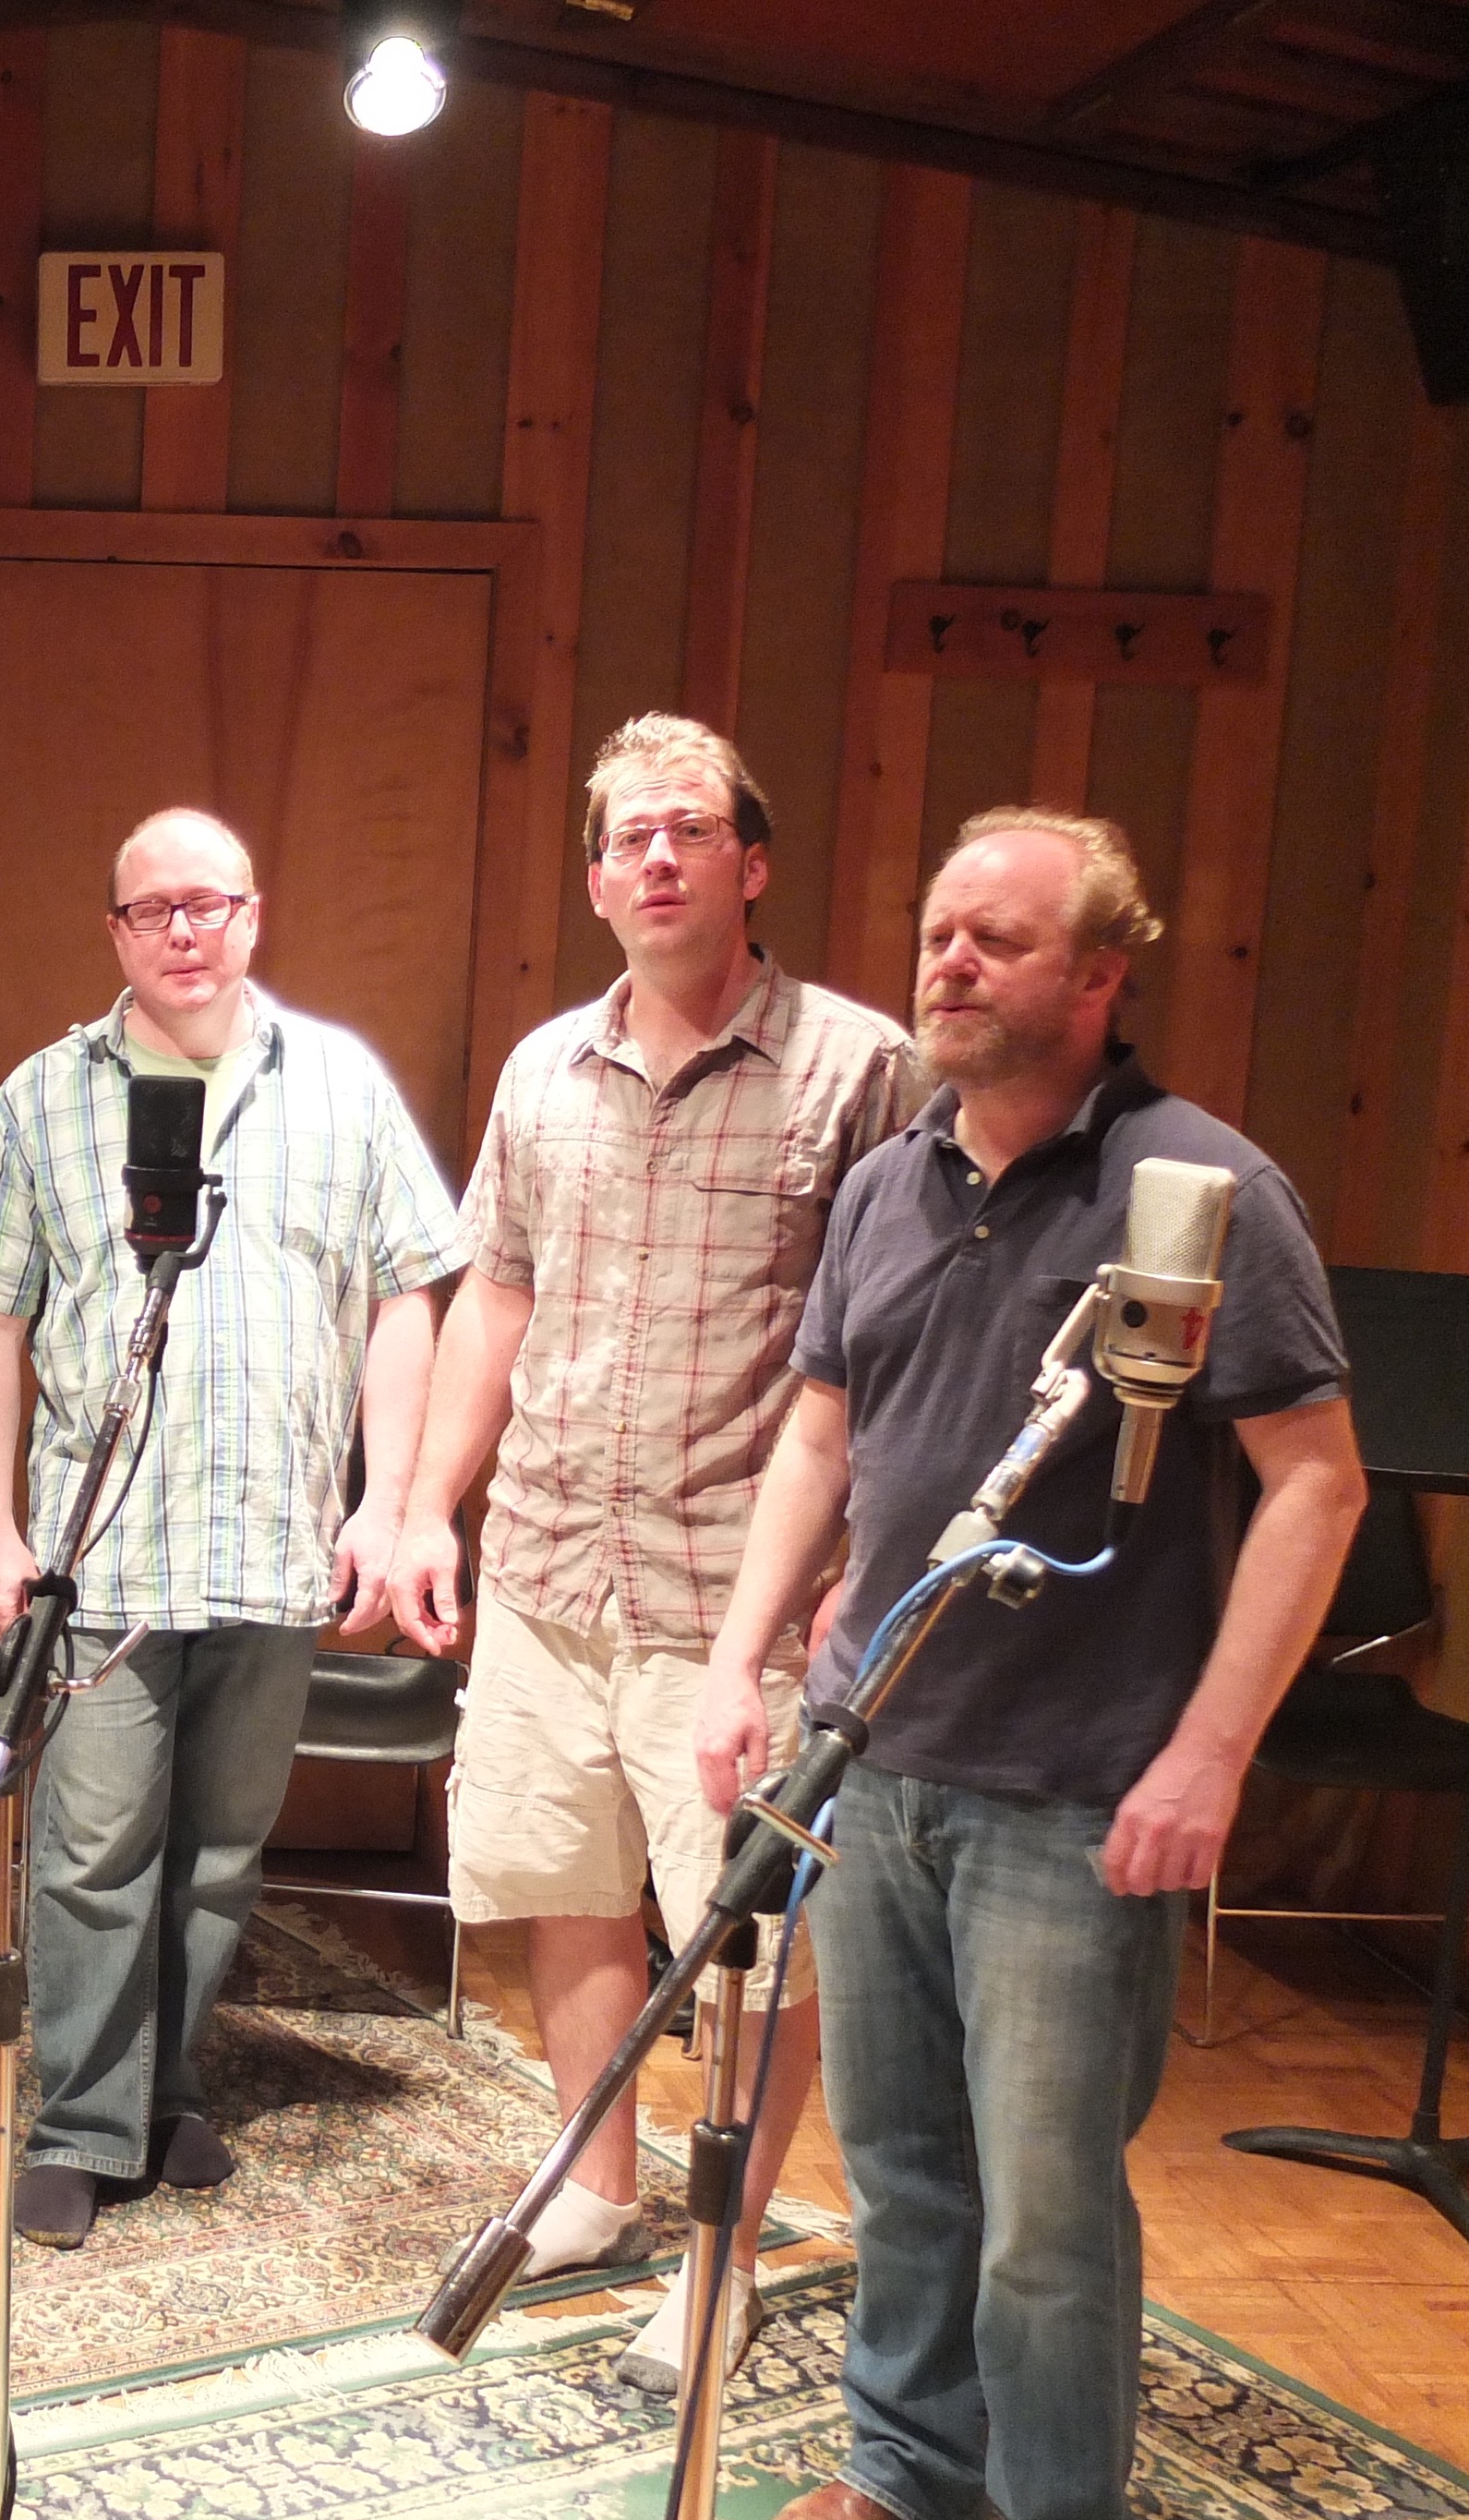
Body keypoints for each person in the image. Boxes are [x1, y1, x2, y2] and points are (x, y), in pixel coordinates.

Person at [695, 808, 1363, 2520]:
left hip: (1074, 1792)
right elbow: (822, 1437)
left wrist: (1208, 1756)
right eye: (938, 931)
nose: (951, 964)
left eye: (998, 939)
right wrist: (744, 1659)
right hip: (880, 1760)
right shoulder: (886, 1183)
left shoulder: (1198, 1194)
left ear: (1099, 974)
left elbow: (1315, 1488)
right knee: (902, 2164)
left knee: (1048, 2207)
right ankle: (910, 2465)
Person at [387, 714, 919, 2394]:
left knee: (750, 1939)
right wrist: (426, 1501)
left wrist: (864, 1558)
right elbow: (498, 1296)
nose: (659, 859)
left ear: (751, 866)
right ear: (598, 880)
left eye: (690, 831)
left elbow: (904, 1342)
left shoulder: (859, 1068)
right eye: (630, 837)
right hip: (552, 1561)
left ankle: (721, 2255)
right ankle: (597, 2192)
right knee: (565, 1878)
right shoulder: (544, 1069)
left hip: (737, 1594)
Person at [0, 807, 463, 2250]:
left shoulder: (339, 1085)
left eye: (207, 903)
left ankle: (164, 2090)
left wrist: (387, 1500)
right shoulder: (45, 1098)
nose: (183, 930)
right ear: (116, 932)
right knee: (95, 1848)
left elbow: (406, 1296)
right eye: (152, 908)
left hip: (276, 1547)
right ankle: (81, 2125)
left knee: (221, 1848)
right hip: (105, 1552)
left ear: (252, 914)